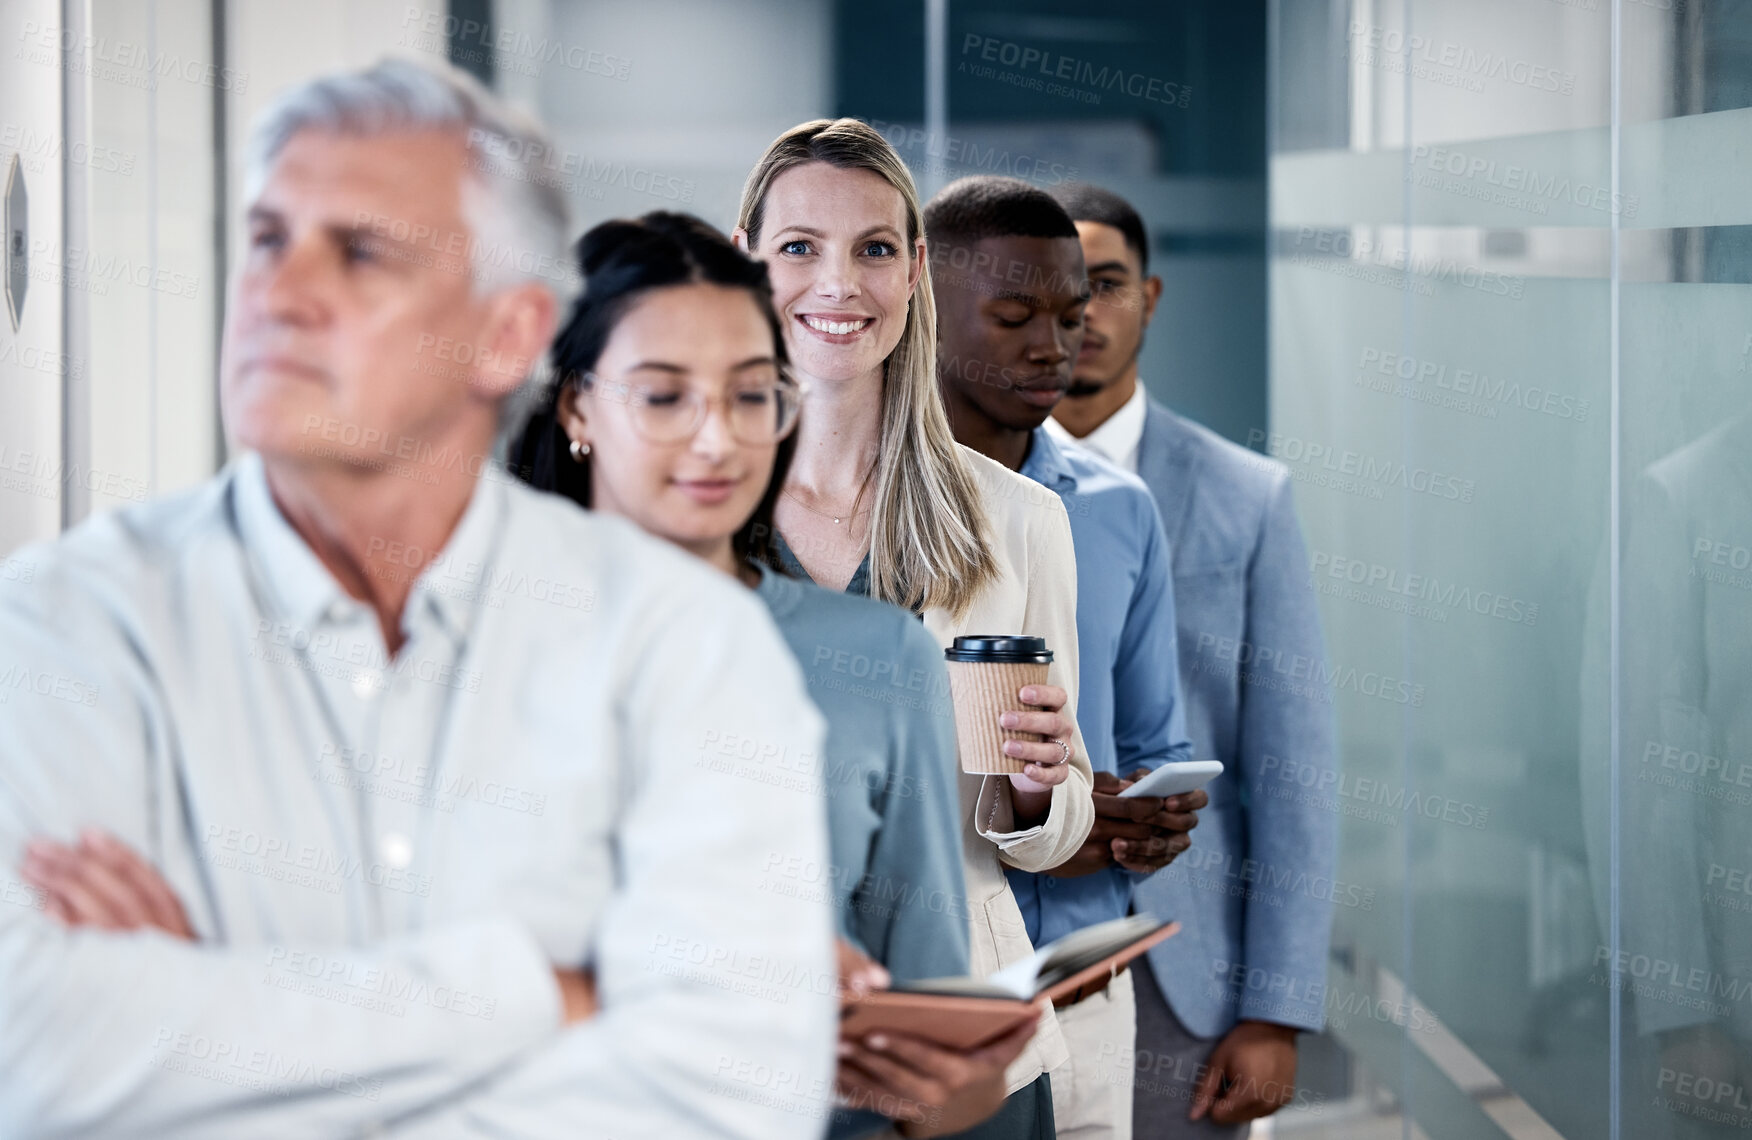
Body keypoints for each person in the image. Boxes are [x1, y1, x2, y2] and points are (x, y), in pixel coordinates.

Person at [0, 58, 838, 1138]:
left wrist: (209, 1018)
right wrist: (539, 994)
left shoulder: (683, 648)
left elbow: (733, 1091)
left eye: (358, 252)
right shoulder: (63, 627)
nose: (281, 294)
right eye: (266, 239)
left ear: (510, 335)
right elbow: (31, 1057)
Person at [514, 209, 1036, 1137]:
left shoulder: (878, 660)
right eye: (664, 397)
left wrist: (940, 1080)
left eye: (752, 395)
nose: (718, 439)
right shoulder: (472, 644)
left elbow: (933, 1014)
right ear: (576, 407)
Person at [735, 118, 1097, 1138]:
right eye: (799, 247)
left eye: (875, 250)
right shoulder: (683, 519)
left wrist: (1036, 792)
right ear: (742, 263)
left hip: (963, 1049)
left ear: (917, 273)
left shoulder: (1021, 522)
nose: (837, 284)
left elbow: (1052, 822)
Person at [1043, 182, 1337, 1137]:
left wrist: (1277, 1008)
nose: (1082, 314)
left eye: (1109, 284)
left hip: (1186, 968)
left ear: (1151, 298)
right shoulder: (966, 486)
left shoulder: (1246, 498)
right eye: (1056, 288)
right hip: (1002, 944)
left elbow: (1293, 768)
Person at [923, 175, 1203, 1140]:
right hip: (936, 997)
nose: (1057, 345)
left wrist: (1145, 823)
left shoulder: (1118, 509)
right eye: (1014, 318)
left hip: (1085, 985)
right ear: (926, 310)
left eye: (1073, 315)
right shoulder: (854, 509)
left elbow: (1152, 741)